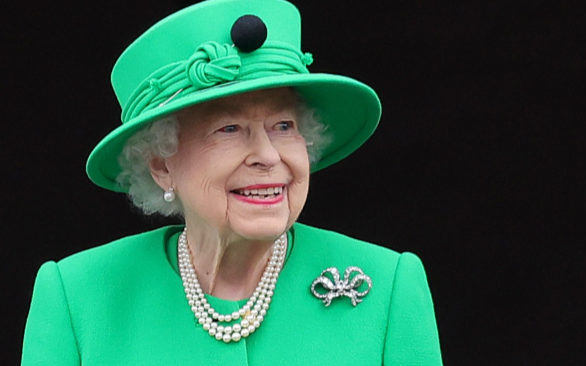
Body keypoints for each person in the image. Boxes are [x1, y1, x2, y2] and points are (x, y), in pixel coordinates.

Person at [22, 0, 443, 364]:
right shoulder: (76, 297)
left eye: (283, 125)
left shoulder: (388, 286)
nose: (268, 155)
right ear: (162, 165)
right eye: (229, 129)